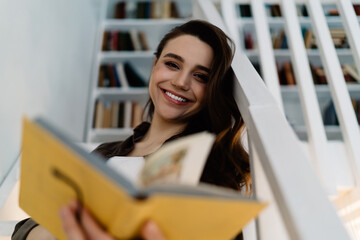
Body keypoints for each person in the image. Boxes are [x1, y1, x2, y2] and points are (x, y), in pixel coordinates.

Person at [12, 19, 250, 240]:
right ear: (155, 66)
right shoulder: (106, 152)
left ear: (212, 91)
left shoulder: (211, 168)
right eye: (172, 64)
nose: (180, 82)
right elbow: (23, 229)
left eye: (200, 76)